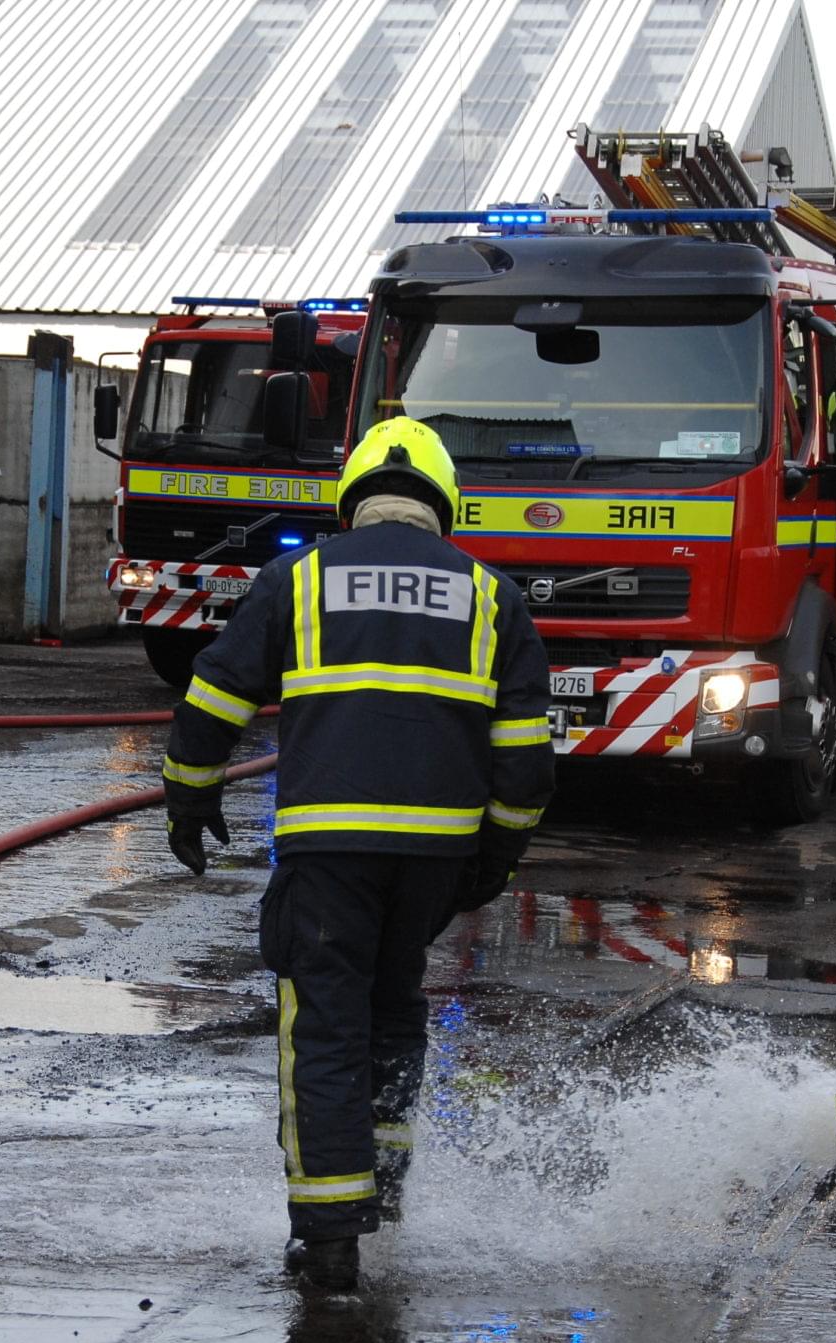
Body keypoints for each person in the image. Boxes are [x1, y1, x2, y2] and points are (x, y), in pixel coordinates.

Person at [160, 418, 554, 1293]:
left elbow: (215, 695)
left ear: (353, 497)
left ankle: (332, 1236)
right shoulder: (492, 595)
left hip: (329, 854)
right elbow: (526, 755)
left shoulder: (298, 578)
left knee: (326, 1031)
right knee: (392, 1011)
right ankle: (386, 1196)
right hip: (433, 864)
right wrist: (497, 855)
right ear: (443, 502)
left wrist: (189, 795)